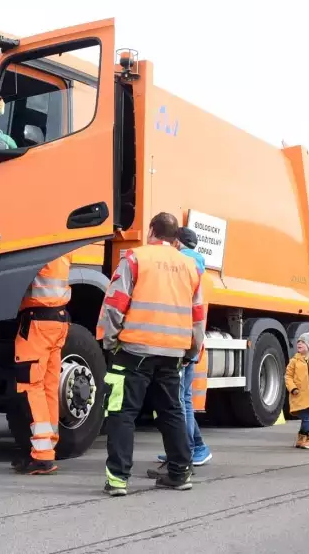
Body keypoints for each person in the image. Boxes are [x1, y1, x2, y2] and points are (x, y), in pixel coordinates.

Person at [97, 212, 206, 497]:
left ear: (151, 231)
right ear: (175, 237)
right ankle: (180, 473)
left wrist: (109, 341)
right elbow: (198, 316)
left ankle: (118, 479)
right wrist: (191, 350)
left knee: (122, 413)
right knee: (171, 412)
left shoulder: (135, 258)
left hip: (135, 349)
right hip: (172, 353)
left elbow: (115, 303)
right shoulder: (190, 266)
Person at [152, 226, 212, 473]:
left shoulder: (181, 265)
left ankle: (184, 450)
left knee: (180, 401)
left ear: (176, 242)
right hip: (190, 340)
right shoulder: (196, 266)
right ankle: (194, 447)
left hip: (180, 341)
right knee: (183, 398)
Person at [10, 253, 72, 475]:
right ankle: (47, 448)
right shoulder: (63, 249)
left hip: (37, 323)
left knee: (30, 386)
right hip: (59, 320)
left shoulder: (38, 247)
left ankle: (42, 456)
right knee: (48, 386)